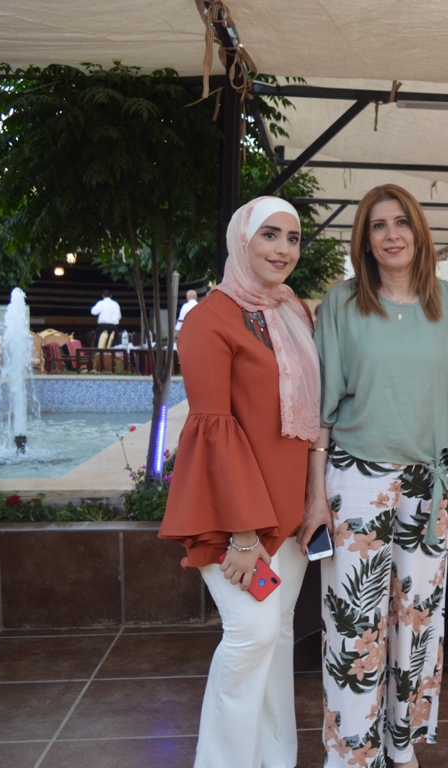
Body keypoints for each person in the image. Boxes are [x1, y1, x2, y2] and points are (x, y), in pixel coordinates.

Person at [300, 183, 448, 768]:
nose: (391, 235)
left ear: (419, 231)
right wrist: (315, 496)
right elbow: (321, 410)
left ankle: (399, 744)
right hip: (356, 481)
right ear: (364, 239)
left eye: (401, 222)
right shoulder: (341, 304)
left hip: (429, 485)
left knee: (417, 619)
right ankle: (350, 753)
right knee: (353, 622)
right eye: (378, 225)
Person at [159, 196, 324, 768]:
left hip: (291, 511)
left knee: (277, 635)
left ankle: (275, 758)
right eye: (269, 235)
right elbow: (214, 430)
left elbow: (309, 422)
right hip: (238, 518)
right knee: (252, 634)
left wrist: (313, 498)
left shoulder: (294, 311)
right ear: (241, 240)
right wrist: (245, 534)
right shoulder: (210, 318)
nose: (283, 249)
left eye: (293, 238)